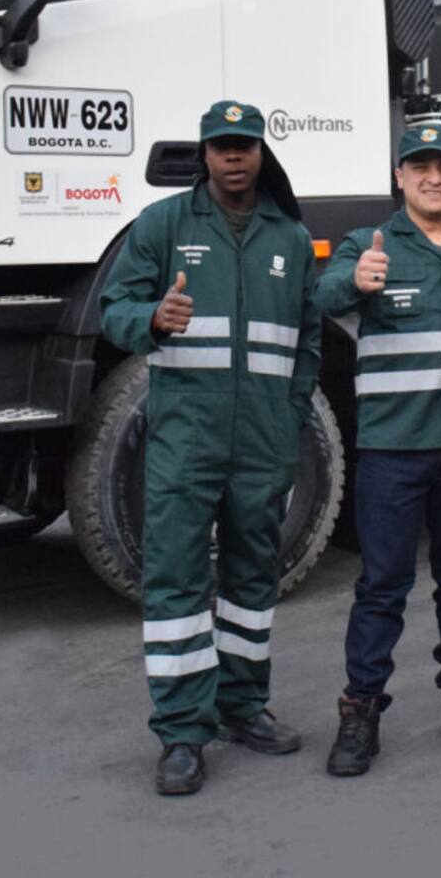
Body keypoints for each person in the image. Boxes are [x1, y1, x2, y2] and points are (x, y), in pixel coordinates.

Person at [100, 100, 321, 795]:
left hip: (263, 442)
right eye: (221, 146)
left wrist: (289, 419)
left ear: (260, 153)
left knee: (254, 580)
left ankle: (243, 707)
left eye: (244, 145)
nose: (233, 156)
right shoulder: (164, 224)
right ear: (203, 154)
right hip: (185, 442)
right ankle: (181, 732)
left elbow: (308, 340)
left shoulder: (289, 237)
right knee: (177, 580)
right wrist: (151, 318)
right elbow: (113, 309)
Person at [314, 124, 441, 777]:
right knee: (382, 587)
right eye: (420, 166)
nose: (434, 177)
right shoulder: (368, 245)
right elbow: (321, 296)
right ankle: (360, 713)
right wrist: (355, 282)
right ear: (399, 176)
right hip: (393, 450)